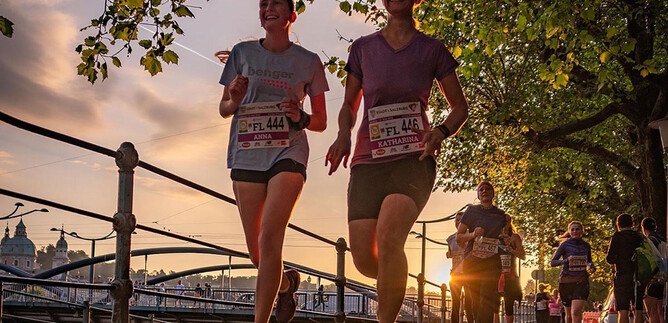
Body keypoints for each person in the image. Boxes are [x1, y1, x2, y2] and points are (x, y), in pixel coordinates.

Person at [324, 0, 468, 322]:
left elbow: (460, 107)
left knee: (390, 236)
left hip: (413, 158)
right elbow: (349, 104)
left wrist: (441, 132)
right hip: (367, 159)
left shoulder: (432, 49)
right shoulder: (362, 49)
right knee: (365, 260)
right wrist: (343, 134)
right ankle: (395, 279)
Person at [218, 0, 328, 322]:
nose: (268, 8)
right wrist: (233, 99)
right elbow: (224, 109)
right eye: (263, 4)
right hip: (247, 153)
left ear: (291, 15)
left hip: (288, 152)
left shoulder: (309, 62)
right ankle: (285, 285)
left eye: (276, 3)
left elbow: (320, 121)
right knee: (258, 253)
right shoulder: (241, 53)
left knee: (270, 237)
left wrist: (300, 115)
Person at [456, 181, 508, 323]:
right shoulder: (472, 211)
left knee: (486, 299)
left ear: (493, 193)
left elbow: (507, 236)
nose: (484, 191)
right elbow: (458, 237)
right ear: (478, 195)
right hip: (472, 261)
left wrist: (506, 238)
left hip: (492, 261)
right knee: (475, 302)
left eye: (488, 189)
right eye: (481, 190)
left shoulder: (501, 215)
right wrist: (473, 234)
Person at [550, 222, 596, 323]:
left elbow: (589, 260)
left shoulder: (586, 245)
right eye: (572, 229)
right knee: (569, 315)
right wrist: (566, 260)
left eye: (577, 229)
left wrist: (592, 266)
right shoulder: (564, 245)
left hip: (581, 281)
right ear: (569, 232)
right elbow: (553, 262)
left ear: (581, 231)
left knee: (575, 311)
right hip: (566, 282)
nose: (575, 231)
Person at [606, 214, 645, 323]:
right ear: (633, 224)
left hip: (622, 276)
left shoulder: (617, 236)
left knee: (623, 310)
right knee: (638, 309)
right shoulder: (639, 236)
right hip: (639, 277)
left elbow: (610, 259)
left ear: (618, 225)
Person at [447, 212, 474, 323]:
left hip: (469, 275)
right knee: (455, 304)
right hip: (455, 275)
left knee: (469, 304)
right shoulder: (450, 239)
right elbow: (450, 254)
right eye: (457, 220)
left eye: (461, 220)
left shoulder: (471, 236)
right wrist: (448, 254)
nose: (459, 222)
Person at [498, 216, 526, 323]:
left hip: (510, 275)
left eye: (507, 221)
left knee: (508, 305)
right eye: (502, 221)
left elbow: (523, 256)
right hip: (495, 273)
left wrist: (512, 250)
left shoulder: (514, 237)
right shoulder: (494, 237)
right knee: (493, 304)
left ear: (510, 222)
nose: (504, 223)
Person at [641, 217, 666, 323]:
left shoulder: (649, 241)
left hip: (654, 277)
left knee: (652, 311)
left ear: (643, 228)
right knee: (660, 311)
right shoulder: (662, 239)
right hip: (663, 276)